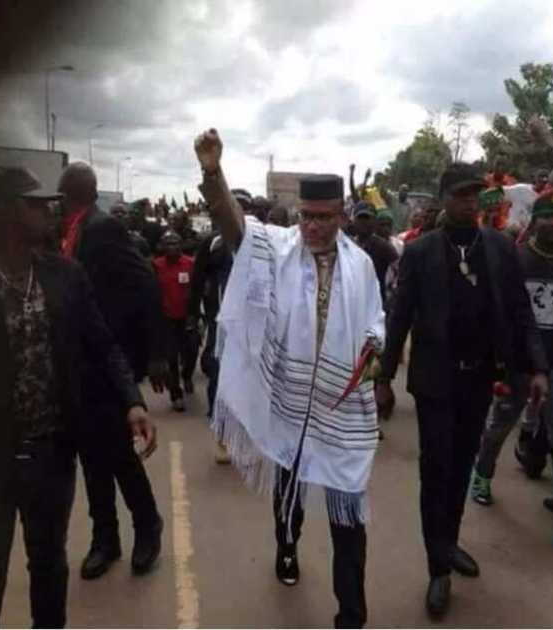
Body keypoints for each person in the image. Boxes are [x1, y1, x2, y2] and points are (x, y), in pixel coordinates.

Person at [195, 128, 384, 629]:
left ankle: (352, 614)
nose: (313, 227)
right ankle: (286, 545)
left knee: (350, 515)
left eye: (323, 218)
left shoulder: (361, 265)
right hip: (291, 401)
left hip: (342, 408)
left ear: (341, 217)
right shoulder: (278, 249)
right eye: (307, 216)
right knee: (289, 494)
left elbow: (375, 321)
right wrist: (214, 177)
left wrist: (375, 352)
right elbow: (236, 229)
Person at [375, 162, 549, 619]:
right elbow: (400, 319)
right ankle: (438, 569)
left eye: (475, 194)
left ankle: (447, 542)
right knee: (436, 474)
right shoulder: (420, 253)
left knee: (460, 468)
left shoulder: (498, 248)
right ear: (444, 199)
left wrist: (535, 368)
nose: (470, 201)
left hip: (478, 380)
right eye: (460, 195)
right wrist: (383, 380)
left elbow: (520, 312)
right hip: (435, 381)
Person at [0, 166, 158, 629]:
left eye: (52, 200)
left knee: (48, 567)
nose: (50, 208)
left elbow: (101, 341)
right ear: (4, 212)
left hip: (51, 452)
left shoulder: (64, 274)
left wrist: (133, 400)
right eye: (35, 203)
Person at [57, 162, 167, 581]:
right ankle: (106, 539)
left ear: (70, 193)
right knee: (91, 458)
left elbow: (146, 282)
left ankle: (147, 526)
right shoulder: (69, 231)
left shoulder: (102, 229)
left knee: (119, 454)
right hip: (77, 365)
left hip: (106, 360)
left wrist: (156, 353)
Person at [469, 186, 553, 549]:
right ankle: (482, 475)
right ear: (535, 222)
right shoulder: (516, 261)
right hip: (519, 365)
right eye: (550, 217)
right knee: (501, 425)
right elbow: (504, 316)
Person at [189, 214, 234, 464]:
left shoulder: (257, 244)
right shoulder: (213, 243)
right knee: (220, 375)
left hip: (251, 324)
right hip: (221, 321)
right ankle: (222, 436)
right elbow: (197, 281)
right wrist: (193, 315)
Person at [153, 231, 198, 412]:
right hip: (167, 319)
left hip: (187, 317)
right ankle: (176, 394)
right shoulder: (156, 266)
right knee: (171, 357)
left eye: (176, 243)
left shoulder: (190, 264)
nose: (172, 247)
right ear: (163, 247)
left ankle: (187, 375)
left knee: (192, 351)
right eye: (168, 244)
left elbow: (197, 289)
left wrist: (195, 315)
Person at [350, 201, 399, 294]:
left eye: (367, 218)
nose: (363, 222)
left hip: (376, 300)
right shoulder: (347, 245)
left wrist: (393, 292)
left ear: (375, 221)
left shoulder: (383, 246)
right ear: (354, 221)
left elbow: (400, 271)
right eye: (360, 218)